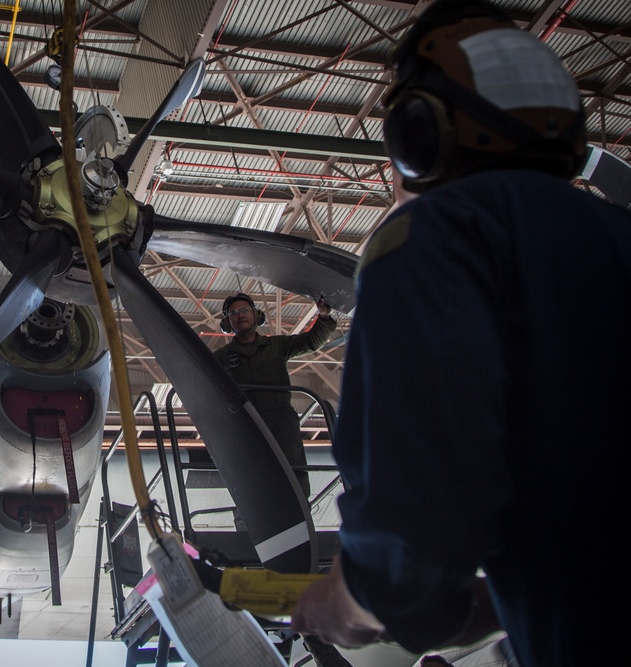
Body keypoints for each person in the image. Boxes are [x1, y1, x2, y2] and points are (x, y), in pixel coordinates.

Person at [291, 2, 629, 665]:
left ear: (418, 134)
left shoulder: (434, 237)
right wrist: (496, 603)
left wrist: (351, 598)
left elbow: (411, 535)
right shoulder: (617, 237)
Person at [213, 292, 336, 497]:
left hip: (281, 420)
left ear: (256, 315)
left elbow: (311, 342)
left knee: (292, 473)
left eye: (244, 310)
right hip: (246, 424)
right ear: (227, 322)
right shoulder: (221, 358)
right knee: (251, 479)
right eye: (233, 313)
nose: (240, 315)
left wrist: (323, 317)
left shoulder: (277, 346)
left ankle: (298, 506)